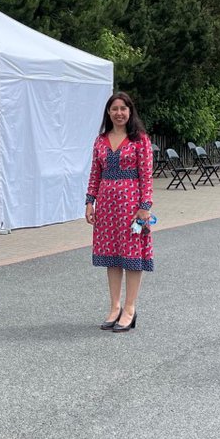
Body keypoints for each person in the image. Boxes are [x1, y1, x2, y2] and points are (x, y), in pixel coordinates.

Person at [85, 91, 154, 333]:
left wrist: (145, 206)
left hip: (131, 207)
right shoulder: (100, 140)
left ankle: (130, 308)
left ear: (130, 111)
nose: (119, 113)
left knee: (132, 257)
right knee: (112, 257)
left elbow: (146, 176)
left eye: (123, 108)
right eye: (114, 108)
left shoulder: (140, 140)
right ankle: (114, 307)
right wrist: (89, 201)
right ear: (108, 112)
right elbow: (95, 173)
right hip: (106, 206)